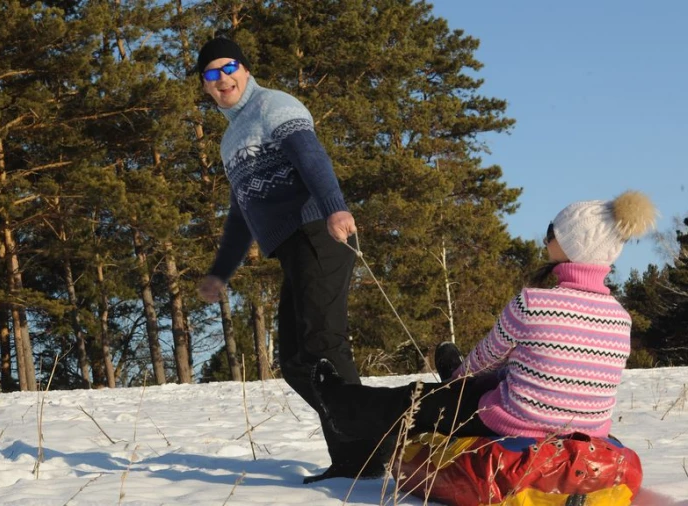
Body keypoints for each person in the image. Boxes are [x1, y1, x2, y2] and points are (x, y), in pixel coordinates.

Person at [312, 191, 657, 443]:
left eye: (553, 231)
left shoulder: (534, 303)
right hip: (589, 431)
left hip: (519, 422)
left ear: (570, 244)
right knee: (506, 373)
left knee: (418, 398)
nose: (546, 237)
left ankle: (344, 407)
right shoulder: (620, 318)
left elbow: (485, 359)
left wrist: (457, 381)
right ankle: (453, 370)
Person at [193, 37, 384, 482]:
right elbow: (242, 213)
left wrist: (335, 205)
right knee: (297, 359)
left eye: (229, 68)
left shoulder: (273, 104)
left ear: (245, 69)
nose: (222, 79)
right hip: (294, 247)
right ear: (204, 87)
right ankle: (357, 446)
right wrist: (221, 272)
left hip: (319, 231)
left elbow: (308, 155)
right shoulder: (229, 140)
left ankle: (367, 454)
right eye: (211, 74)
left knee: (324, 346)